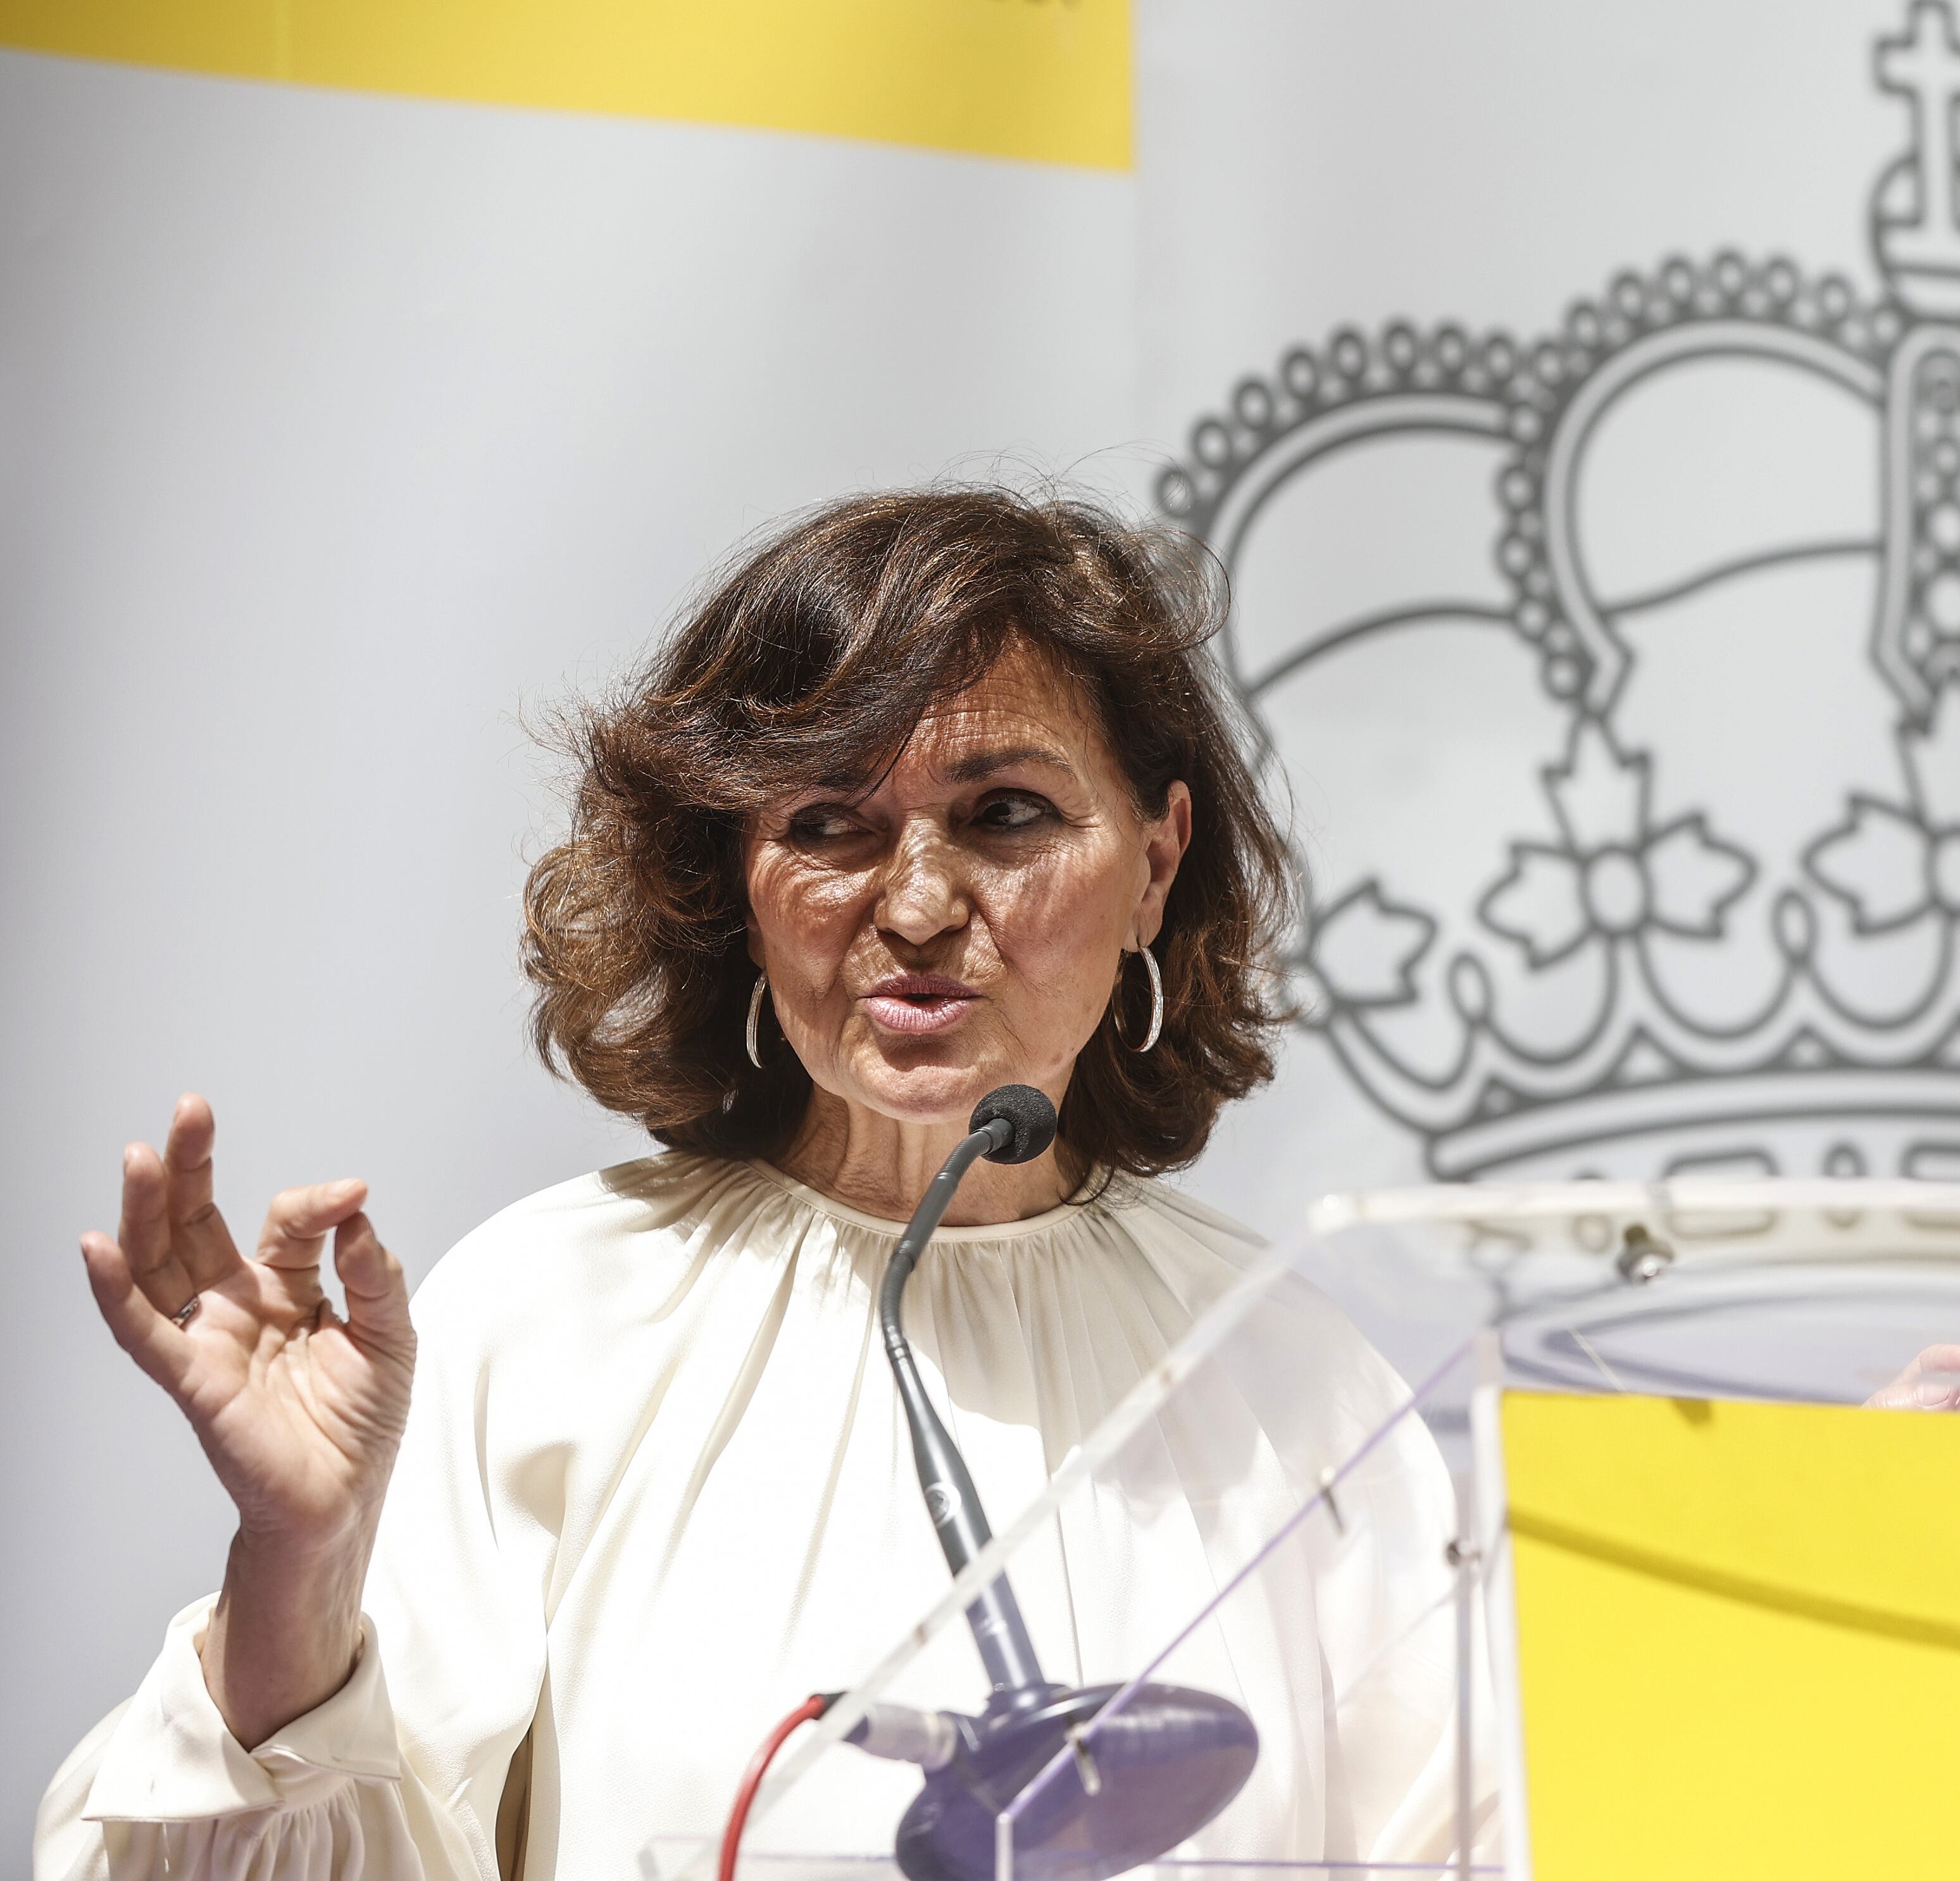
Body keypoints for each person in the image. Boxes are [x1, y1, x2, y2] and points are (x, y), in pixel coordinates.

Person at [37, 486, 1469, 1880]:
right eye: (831, 824)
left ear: (1155, 862)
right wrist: (296, 1565)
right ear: (735, 877)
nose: (918, 906)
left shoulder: (1284, 1367)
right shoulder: (550, 1318)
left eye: (1007, 813)